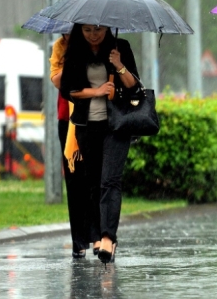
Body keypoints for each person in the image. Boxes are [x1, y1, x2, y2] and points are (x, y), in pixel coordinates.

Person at [60, 24, 139, 264]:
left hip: (116, 126)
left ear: (107, 28)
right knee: (94, 182)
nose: (93, 34)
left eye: (98, 29)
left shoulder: (120, 47)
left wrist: (118, 65)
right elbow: (68, 90)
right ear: (79, 31)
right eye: (87, 30)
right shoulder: (75, 51)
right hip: (87, 127)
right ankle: (97, 234)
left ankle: (107, 238)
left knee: (110, 181)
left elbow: (134, 86)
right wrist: (96, 92)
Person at [49, 34, 98, 258]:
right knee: (74, 179)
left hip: (95, 116)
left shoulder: (96, 44)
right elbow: (58, 81)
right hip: (67, 119)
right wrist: (72, 61)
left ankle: (97, 236)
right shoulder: (60, 47)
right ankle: (78, 241)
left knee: (94, 179)